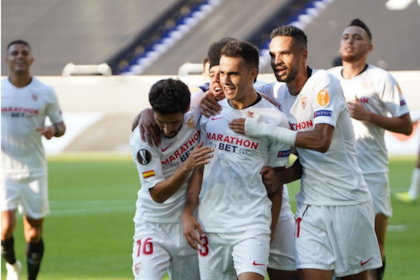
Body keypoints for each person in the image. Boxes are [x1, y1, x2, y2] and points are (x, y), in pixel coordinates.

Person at [227, 26, 382, 280]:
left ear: (303, 56)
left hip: (347, 202)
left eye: (285, 54)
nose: (277, 61)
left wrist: (263, 129)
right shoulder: (277, 92)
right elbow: (235, 85)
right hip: (310, 206)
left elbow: (321, 141)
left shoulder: (324, 83)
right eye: (273, 55)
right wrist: (281, 177)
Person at [182, 40, 292, 280]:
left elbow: (275, 180)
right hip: (210, 225)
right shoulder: (209, 113)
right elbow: (198, 169)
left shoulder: (275, 120)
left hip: (251, 224)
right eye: (222, 73)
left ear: (253, 73)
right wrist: (188, 211)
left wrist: (269, 230)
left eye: (233, 73)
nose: (225, 80)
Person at [328, 19, 413, 280]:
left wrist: (368, 116)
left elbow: (406, 126)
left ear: (370, 46)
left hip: (371, 171)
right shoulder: (326, 79)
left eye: (357, 37)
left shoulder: (380, 78)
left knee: (375, 245)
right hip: (336, 173)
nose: (350, 41)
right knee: (337, 245)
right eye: (345, 37)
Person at [129, 78, 213, 280]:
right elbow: (158, 194)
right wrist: (187, 166)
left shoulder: (194, 104)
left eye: (174, 122)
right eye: (161, 122)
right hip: (153, 225)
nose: (167, 130)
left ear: (186, 109)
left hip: (191, 222)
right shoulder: (144, 139)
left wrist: (213, 93)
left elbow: (215, 80)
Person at [0, 40, 66, 280]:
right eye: (14, 53)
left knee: (34, 234)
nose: (20, 56)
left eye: (24, 53)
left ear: (31, 59)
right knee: (4, 229)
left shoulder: (45, 92)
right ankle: (11, 265)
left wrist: (52, 130)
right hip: (4, 173)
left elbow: (61, 125)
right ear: (7, 60)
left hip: (34, 171)